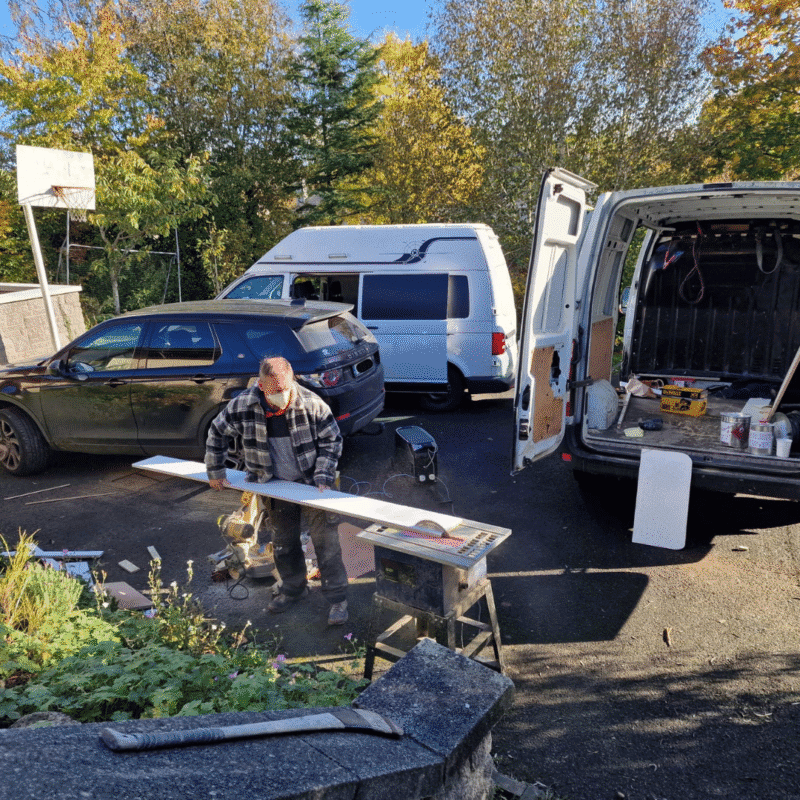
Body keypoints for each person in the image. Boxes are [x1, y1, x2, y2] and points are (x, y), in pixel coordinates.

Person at [205, 356, 349, 625]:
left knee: (326, 545)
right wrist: (215, 471)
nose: (281, 395)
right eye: (273, 391)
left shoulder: (312, 404)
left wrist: (323, 474)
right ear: (261, 385)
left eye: (284, 389)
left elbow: (332, 440)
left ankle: (338, 599)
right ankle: (293, 590)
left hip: (311, 485)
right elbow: (216, 432)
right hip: (274, 486)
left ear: (292, 379)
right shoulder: (243, 405)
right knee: (283, 544)